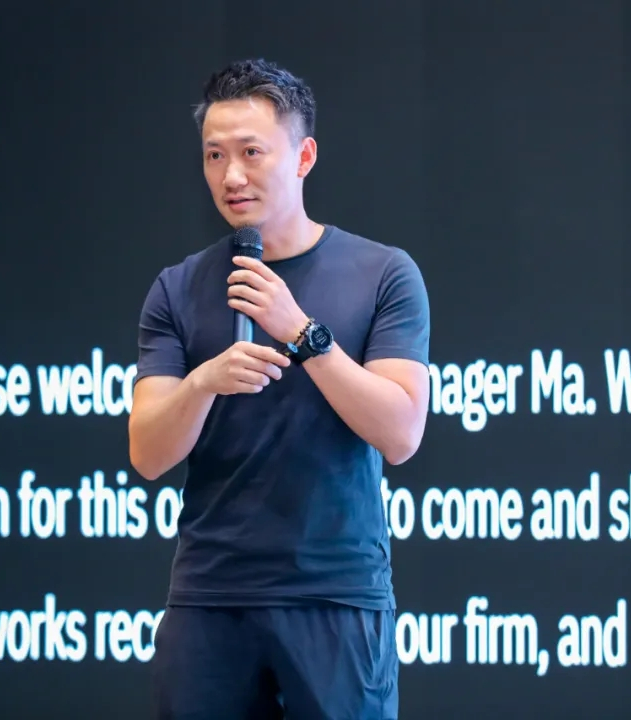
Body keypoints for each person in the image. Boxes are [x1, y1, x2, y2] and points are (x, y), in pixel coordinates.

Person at [128, 58, 431, 720]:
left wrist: (302, 333)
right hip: (211, 599)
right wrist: (204, 382)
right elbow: (147, 454)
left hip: (335, 596)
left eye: (251, 152)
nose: (231, 175)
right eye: (214, 155)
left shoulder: (383, 273)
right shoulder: (177, 288)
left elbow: (401, 433)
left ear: (304, 157)